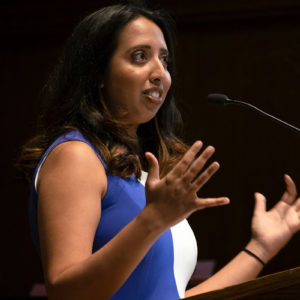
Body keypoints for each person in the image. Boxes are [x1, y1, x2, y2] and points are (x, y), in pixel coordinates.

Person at [17, 2, 300, 300]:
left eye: (164, 60)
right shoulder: (75, 156)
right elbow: (66, 292)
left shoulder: (138, 174)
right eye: (140, 57)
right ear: (97, 73)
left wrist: (260, 248)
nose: (160, 73)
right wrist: (153, 220)